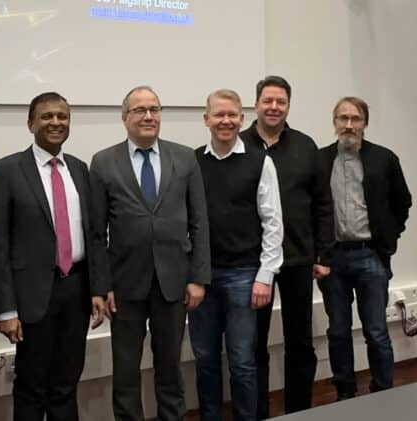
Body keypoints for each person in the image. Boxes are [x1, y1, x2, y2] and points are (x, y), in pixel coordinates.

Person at [90, 86, 210, 421]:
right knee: (126, 371)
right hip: (125, 284)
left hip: (173, 281)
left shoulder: (184, 158)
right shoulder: (103, 161)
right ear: (124, 117)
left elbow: (200, 222)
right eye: (140, 110)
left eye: (154, 109)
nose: (148, 116)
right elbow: (97, 233)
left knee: (170, 367)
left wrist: (198, 278)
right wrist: (100, 286)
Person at [0, 92, 108, 421]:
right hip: (31, 296)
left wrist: (98, 288)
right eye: (46, 116)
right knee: (31, 385)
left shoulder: (81, 170)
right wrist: (6, 308)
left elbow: (95, 236)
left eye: (62, 116)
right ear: (30, 123)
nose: (55, 122)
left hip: (76, 291)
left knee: (67, 383)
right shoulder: (6, 170)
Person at [239, 75, 334, 418]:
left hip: (298, 259)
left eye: (281, 102)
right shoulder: (238, 144)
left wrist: (322, 254)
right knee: (253, 345)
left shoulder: (306, 146)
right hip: (253, 263)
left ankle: (299, 411)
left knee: (300, 343)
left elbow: (324, 204)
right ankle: (258, 412)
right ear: (256, 104)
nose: (274, 107)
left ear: (288, 106)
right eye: (268, 100)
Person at [190, 89, 283, 421]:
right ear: (206, 120)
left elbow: (273, 222)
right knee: (204, 359)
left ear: (242, 119)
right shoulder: (192, 162)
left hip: (245, 276)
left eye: (232, 115)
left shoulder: (261, 162)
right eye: (218, 115)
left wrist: (265, 275)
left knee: (243, 361)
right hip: (202, 278)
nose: (225, 121)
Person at [318, 96, 412, 400]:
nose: (348, 125)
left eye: (355, 118)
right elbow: (309, 209)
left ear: (365, 124)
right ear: (334, 123)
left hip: (371, 256)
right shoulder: (320, 161)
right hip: (332, 260)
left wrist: (389, 239)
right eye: (342, 118)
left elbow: (402, 202)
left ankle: (383, 394)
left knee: (376, 331)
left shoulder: (384, 159)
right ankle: (345, 395)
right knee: (338, 333)